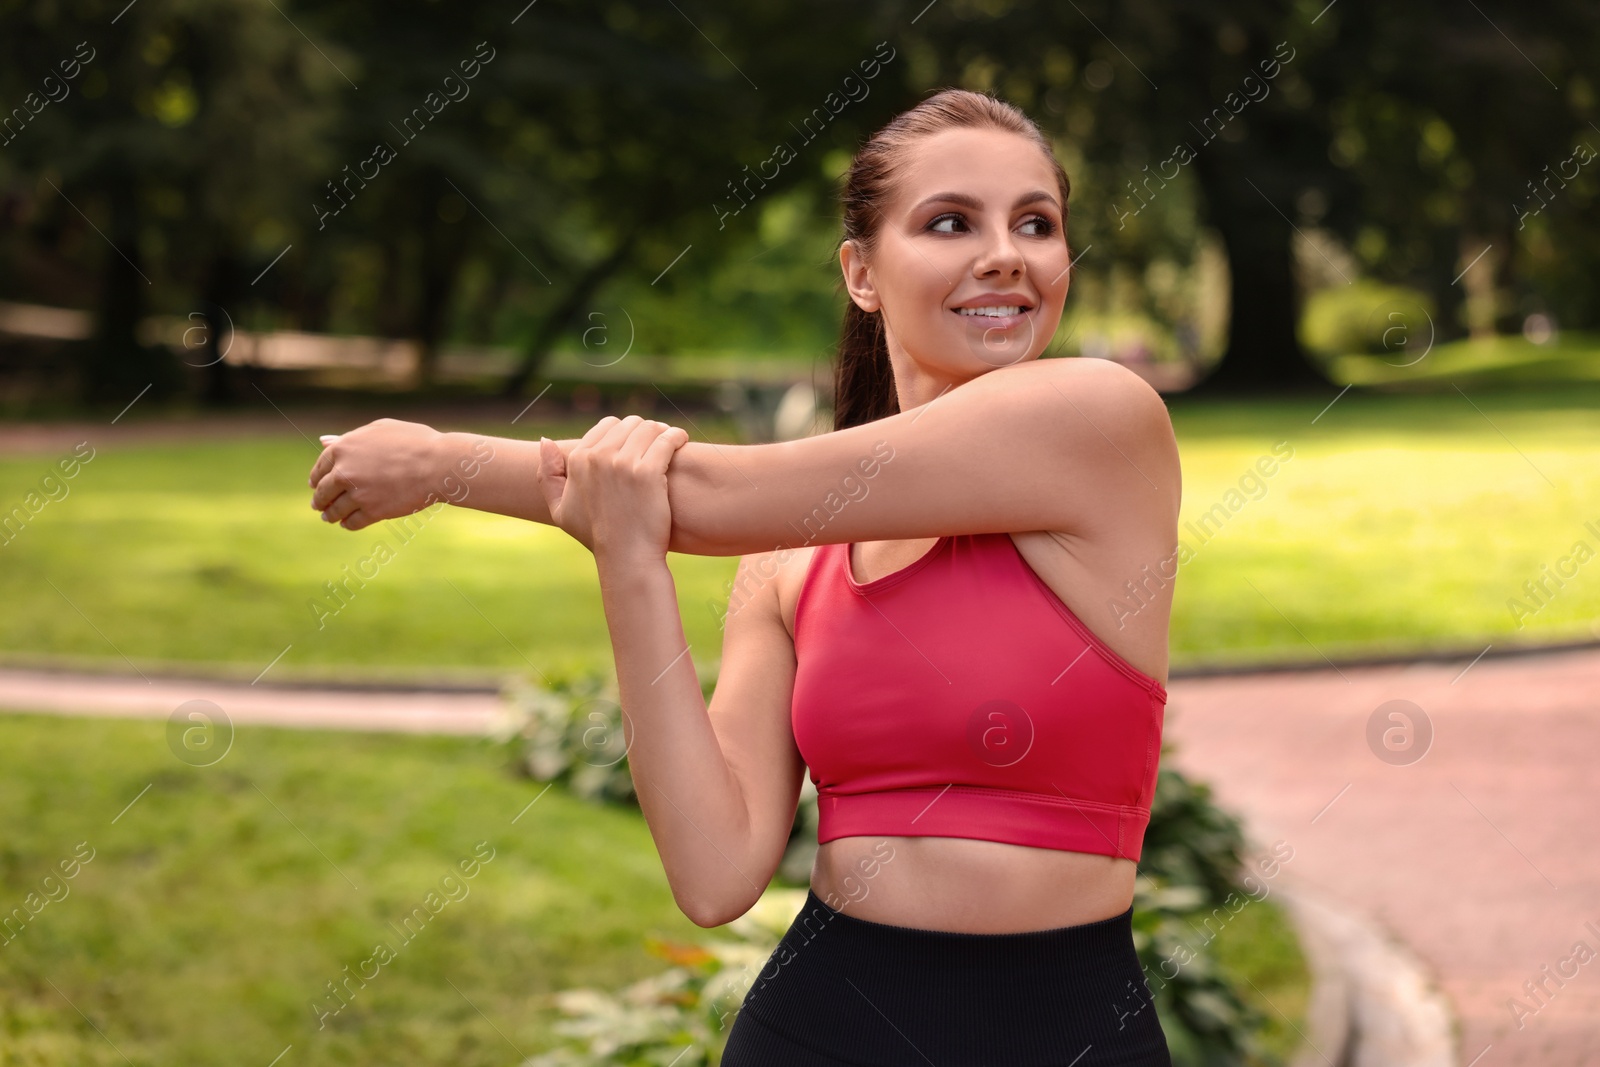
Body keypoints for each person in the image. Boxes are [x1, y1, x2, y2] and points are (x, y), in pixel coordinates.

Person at [309, 88, 1179, 1065]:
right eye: (949, 222)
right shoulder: (791, 562)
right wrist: (626, 553)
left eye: (1036, 223)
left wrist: (440, 463)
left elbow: (709, 497)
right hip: (819, 1029)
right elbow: (715, 871)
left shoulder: (1100, 420)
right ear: (861, 272)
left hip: (1061, 1030)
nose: (1005, 253)